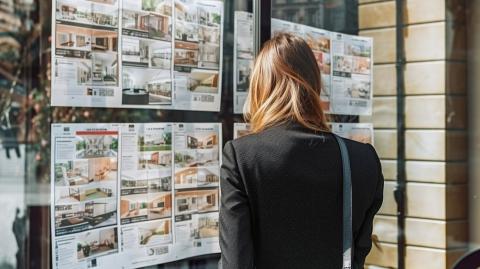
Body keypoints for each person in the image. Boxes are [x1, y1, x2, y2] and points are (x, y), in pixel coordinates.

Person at [219, 33, 384, 269]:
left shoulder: (242, 157)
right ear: (315, 85)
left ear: (260, 89)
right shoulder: (363, 160)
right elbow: (357, 255)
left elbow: (235, 262)